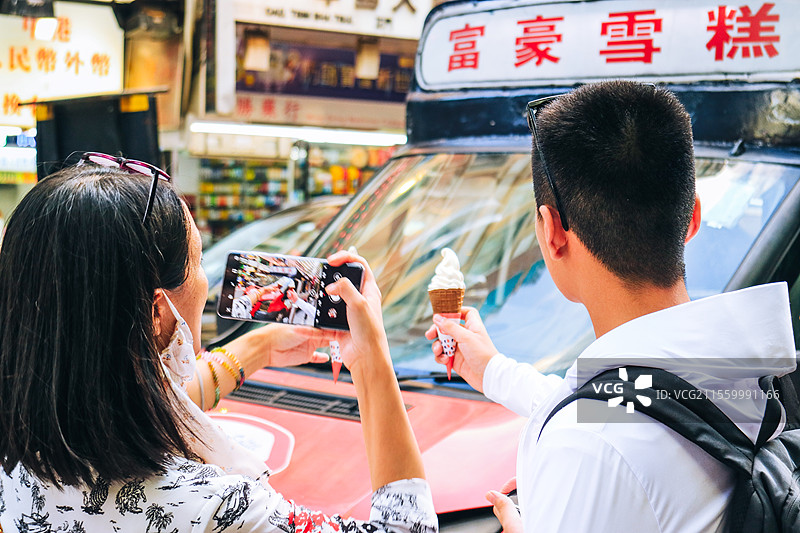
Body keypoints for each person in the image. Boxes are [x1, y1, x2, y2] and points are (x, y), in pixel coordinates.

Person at [425, 81, 796, 532]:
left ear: (552, 231)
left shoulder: (588, 450)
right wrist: (493, 371)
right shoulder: (747, 374)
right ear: (692, 217)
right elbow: (648, 402)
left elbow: (614, 424)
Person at [0, 156, 437, 532]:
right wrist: (370, 355)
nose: (206, 279)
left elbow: (142, 404)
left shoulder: (21, 456)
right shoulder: (216, 508)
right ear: (156, 314)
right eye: (199, 259)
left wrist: (261, 348)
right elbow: (405, 525)